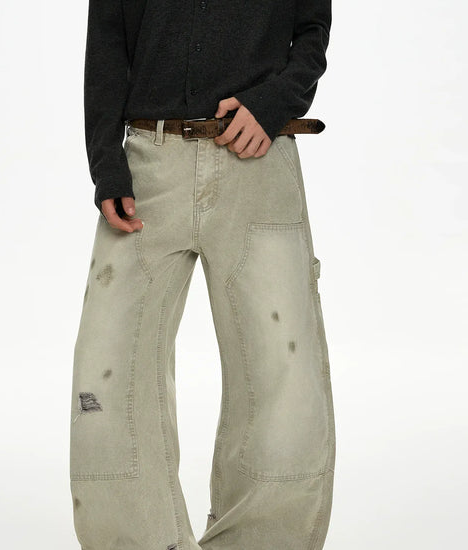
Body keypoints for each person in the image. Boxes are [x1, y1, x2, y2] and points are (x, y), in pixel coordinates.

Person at [69, 1, 336, 549]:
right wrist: (106, 162)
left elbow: (312, 30)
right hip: (148, 162)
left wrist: (273, 103)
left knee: (282, 370)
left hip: (258, 156)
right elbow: (107, 41)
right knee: (108, 366)